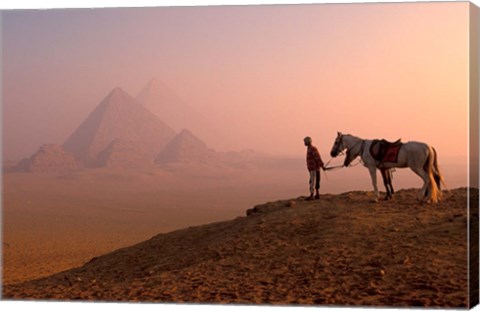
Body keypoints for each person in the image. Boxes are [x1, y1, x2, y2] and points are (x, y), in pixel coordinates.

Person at [304, 136, 325, 200]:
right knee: (315, 181)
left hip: (314, 168)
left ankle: (312, 195)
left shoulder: (312, 149)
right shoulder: (309, 149)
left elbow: (317, 158)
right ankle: (317, 194)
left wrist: (322, 165)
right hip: (313, 168)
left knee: (313, 182)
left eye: (305, 141)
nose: (304, 143)